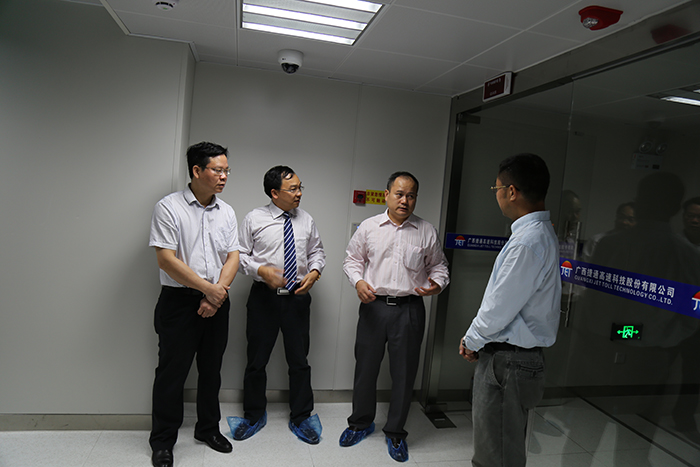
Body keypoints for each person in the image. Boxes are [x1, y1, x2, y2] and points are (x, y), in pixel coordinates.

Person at [340, 171, 450, 463]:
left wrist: (437, 284)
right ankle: (360, 423)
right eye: (399, 194)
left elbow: (439, 266)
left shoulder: (426, 231)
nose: (405, 201)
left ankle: (396, 432)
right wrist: (358, 282)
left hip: (410, 308)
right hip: (374, 306)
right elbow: (352, 260)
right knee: (366, 368)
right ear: (387, 195)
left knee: (404, 373)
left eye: (411, 196)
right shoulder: (369, 227)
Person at [459, 153, 561, 467]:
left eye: (497, 188)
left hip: (508, 361)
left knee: (496, 455)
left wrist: (471, 341)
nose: (497, 195)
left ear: (512, 192)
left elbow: (498, 309)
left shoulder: (527, 242)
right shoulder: (540, 234)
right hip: (519, 359)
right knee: (505, 447)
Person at [148, 142, 240, 467]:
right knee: (171, 374)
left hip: (218, 300)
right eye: (218, 170)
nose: (224, 176)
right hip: (179, 302)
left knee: (211, 371)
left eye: (227, 170)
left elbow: (233, 256)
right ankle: (162, 441)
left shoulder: (227, 211)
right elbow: (166, 259)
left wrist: (217, 293)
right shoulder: (169, 207)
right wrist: (208, 290)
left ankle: (208, 429)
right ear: (197, 171)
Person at [234, 166, 326, 444]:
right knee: (256, 360)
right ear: (274, 193)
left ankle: (301, 416)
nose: (299, 194)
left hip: (297, 297)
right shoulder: (254, 218)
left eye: (300, 187)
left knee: (299, 360)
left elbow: (317, 251)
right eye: (293, 189)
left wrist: (315, 271)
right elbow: (238, 256)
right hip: (264, 298)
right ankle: (253, 414)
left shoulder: (306, 219)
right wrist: (261, 271)